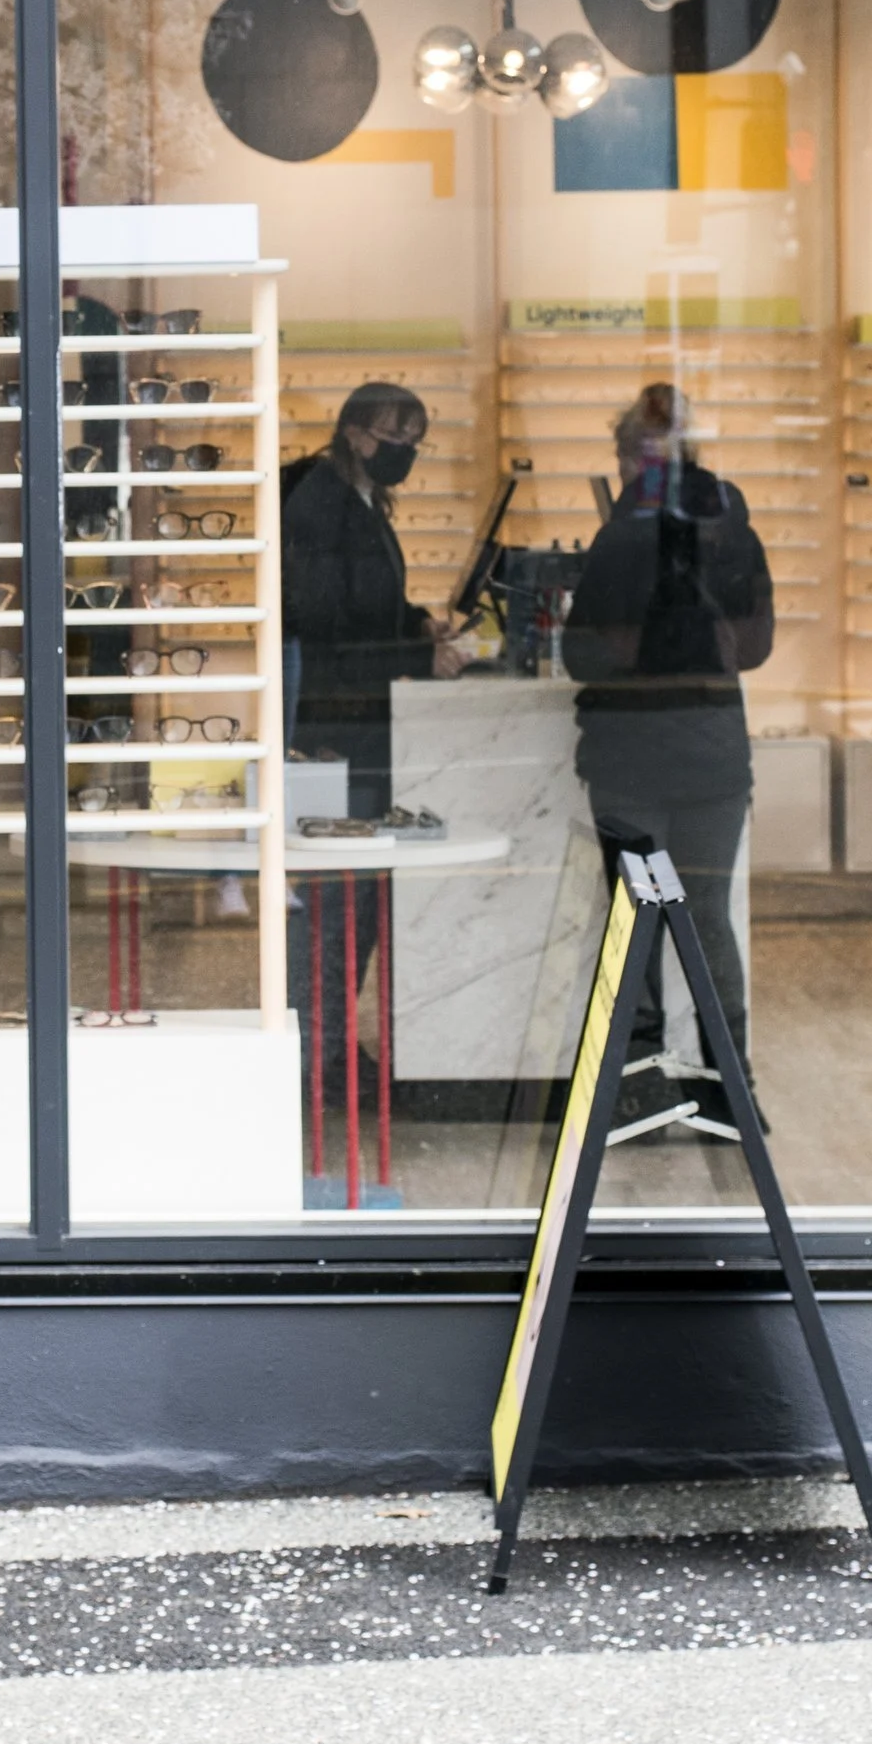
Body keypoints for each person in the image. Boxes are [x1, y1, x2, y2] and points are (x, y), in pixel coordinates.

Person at [561, 380, 773, 1131]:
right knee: (708, 918)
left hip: (629, 755)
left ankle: (634, 1084)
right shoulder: (733, 527)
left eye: (627, 451)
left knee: (635, 920)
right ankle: (730, 1086)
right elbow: (756, 646)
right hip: (714, 752)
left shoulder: (620, 536)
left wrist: (627, 646)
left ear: (635, 455)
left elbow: (581, 654)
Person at [281, 385, 473, 1162]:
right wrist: (413, 654)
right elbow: (328, 629)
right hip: (336, 728)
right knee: (336, 898)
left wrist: (414, 620)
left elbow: (367, 608)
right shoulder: (319, 504)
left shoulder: (354, 499)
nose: (408, 452)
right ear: (357, 433)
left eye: (418, 437)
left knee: (352, 896)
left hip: (356, 723)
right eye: (400, 436)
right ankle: (312, 1055)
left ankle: (326, 1047)